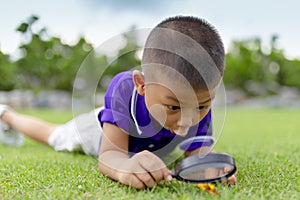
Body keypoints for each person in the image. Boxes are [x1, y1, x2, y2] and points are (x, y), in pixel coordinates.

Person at [0, 16, 237, 189]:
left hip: (140, 142)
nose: (187, 121)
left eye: (202, 106)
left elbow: (196, 150)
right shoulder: (124, 89)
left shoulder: (197, 98)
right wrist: (124, 168)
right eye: (173, 107)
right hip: (100, 129)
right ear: (141, 84)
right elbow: (110, 155)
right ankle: (6, 116)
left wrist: (208, 164)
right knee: (53, 135)